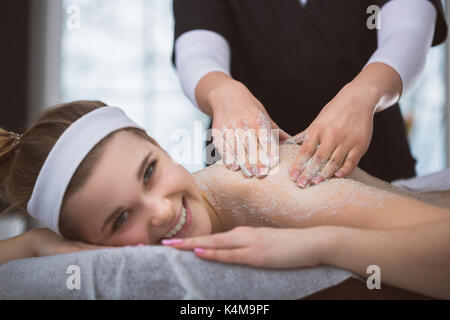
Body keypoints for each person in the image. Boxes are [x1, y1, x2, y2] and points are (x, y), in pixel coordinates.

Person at [0, 101, 449, 298]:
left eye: (150, 171)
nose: (161, 210)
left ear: (159, 143)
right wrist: (38, 245)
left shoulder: (266, 185)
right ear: (90, 246)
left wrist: (322, 243)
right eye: (120, 220)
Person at [172, 0, 448, 186]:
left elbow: (408, 32)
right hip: (249, 165)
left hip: (372, 158)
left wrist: (365, 94)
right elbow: (198, 50)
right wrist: (223, 93)